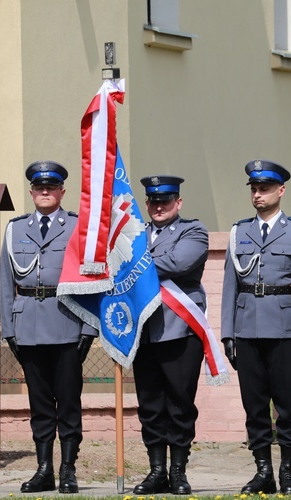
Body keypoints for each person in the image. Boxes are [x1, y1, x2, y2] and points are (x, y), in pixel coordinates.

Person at [221, 160, 291, 495]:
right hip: (247, 329)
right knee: (254, 404)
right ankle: (263, 471)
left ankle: (288, 471)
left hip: (285, 330)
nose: (258, 194)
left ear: (281, 190)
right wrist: (227, 333)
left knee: (288, 404)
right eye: (254, 188)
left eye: (264, 188)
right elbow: (230, 286)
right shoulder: (240, 232)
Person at [0, 161, 97, 494]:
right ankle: (44, 469)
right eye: (39, 188)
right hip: (28, 325)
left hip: (67, 323)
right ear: (31, 192)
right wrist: (8, 329)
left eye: (51, 188)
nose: (45, 192)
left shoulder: (77, 227)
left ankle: (68, 470)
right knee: (40, 405)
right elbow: (4, 282)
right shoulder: (14, 229)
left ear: (61, 192)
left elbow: (92, 280)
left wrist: (89, 330)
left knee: (68, 402)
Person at [130, 175, 208, 495]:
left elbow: (179, 262)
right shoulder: (136, 234)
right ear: (146, 204)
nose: (158, 206)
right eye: (153, 201)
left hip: (179, 331)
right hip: (144, 333)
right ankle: (156, 471)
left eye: (165, 201)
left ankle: (178, 471)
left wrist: (133, 263)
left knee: (179, 404)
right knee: (150, 406)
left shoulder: (193, 231)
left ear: (178, 203)